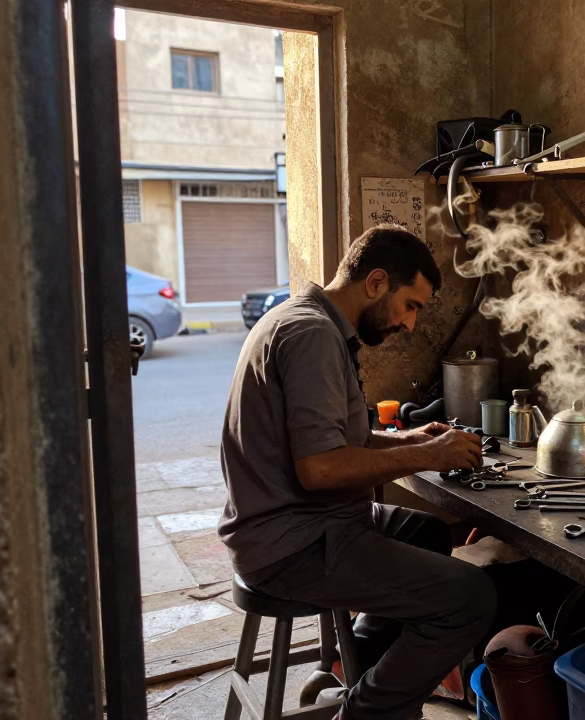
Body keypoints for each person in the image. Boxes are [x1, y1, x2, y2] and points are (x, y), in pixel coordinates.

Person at [218, 224, 496, 720]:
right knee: (470, 597)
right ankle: (368, 713)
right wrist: (432, 456)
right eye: (410, 304)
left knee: (427, 532)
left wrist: (411, 439)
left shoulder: (309, 320)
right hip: (292, 544)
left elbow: (335, 441)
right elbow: (321, 469)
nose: (410, 324)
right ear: (375, 283)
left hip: (300, 524)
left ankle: (357, 667)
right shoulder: (312, 337)